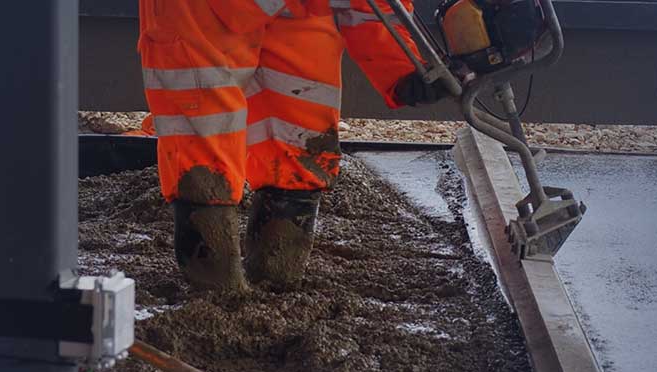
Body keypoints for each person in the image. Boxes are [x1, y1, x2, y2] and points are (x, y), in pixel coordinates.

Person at [138, 0, 447, 292]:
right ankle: (215, 294)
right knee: (204, 151)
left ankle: (276, 283)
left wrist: (402, 68)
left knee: (299, 142)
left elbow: (371, 5)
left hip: (297, 13)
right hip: (200, 12)